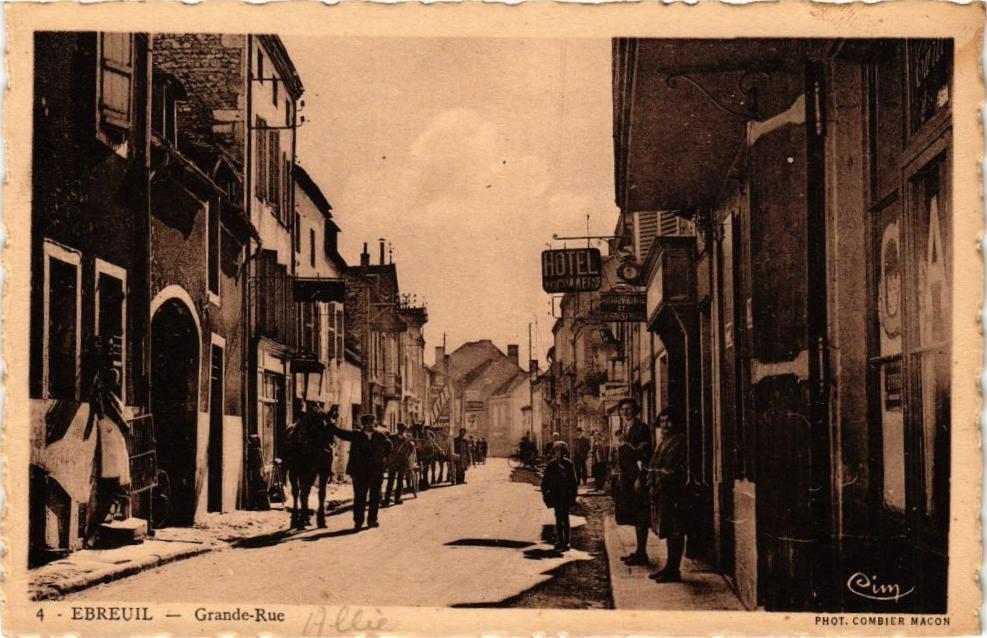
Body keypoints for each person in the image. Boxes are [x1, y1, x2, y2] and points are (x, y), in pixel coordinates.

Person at [83, 337, 133, 546]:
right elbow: (117, 417)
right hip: (110, 437)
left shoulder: (110, 395)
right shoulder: (107, 396)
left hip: (114, 437)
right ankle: (105, 518)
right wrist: (127, 428)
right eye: (115, 378)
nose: (118, 381)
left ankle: (111, 512)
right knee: (113, 474)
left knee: (116, 474)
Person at [647, 408, 689, 583]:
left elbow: (670, 466)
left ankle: (674, 570)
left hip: (674, 491)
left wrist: (658, 484)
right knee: (669, 530)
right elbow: (654, 462)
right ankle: (669, 568)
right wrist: (651, 481)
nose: (665, 424)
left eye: (668, 421)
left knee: (675, 531)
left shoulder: (679, 440)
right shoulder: (664, 440)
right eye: (662, 421)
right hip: (663, 491)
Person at [329, 413, 392, 530]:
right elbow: (342, 433)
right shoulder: (356, 435)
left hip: (375, 471)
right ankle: (358, 522)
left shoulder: (379, 435)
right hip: (360, 472)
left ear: (374, 423)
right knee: (359, 497)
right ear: (363, 425)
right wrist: (332, 424)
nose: (370, 426)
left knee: (375, 497)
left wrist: (383, 458)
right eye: (367, 424)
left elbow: (389, 445)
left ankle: (372, 520)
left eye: (371, 423)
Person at [615, 398, 653, 566]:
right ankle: (639, 551)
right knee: (633, 514)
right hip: (626, 476)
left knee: (641, 515)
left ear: (635, 411)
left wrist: (640, 477)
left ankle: (642, 553)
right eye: (622, 409)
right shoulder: (624, 428)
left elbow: (643, 454)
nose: (625, 412)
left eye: (628, 409)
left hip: (637, 476)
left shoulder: (642, 428)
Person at [541, 441, 579, 552]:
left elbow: (573, 482)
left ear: (564, 452)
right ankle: (560, 540)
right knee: (558, 518)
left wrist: (573, 496)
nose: (559, 453)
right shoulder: (551, 464)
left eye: (561, 451)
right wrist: (546, 494)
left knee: (565, 518)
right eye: (557, 451)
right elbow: (545, 481)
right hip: (556, 495)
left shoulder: (568, 464)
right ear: (554, 452)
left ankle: (566, 541)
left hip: (566, 495)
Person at [384, 423, 414, 506]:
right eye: (400, 429)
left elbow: (411, 448)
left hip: (402, 462)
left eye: (403, 430)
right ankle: (387, 499)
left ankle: (397, 498)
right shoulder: (392, 437)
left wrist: (406, 456)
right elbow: (386, 447)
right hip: (393, 462)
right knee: (391, 480)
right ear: (398, 429)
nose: (402, 431)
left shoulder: (406, 440)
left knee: (400, 481)